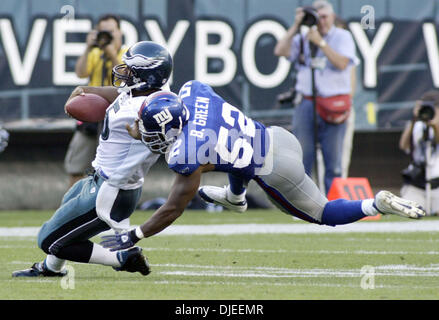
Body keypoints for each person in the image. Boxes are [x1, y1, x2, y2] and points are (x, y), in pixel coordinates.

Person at [99, 80, 425, 263]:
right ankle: (235, 197)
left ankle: (375, 204)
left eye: (149, 132)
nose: (144, 136)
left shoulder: (185, 155)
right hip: (277, 136)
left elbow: (173, 208)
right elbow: (215, 140)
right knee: (231, 158)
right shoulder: (193, 92)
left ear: (169, 132)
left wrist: (135, 234)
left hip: (276, 169)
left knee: (322, 213)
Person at [12, 41, 173, 277]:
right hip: (100, 181)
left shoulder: (150, 112)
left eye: (131, 69)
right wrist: (88, 90)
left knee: (49, 240)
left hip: (111, 191)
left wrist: (148, 135)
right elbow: (120, 94)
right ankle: (51, 268)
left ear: (147, 76)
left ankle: (121, 258)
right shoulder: (143, 92)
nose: (124, 72)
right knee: (68, 203)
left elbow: (167, 137)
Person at [274, 0, 359, 193]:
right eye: (316, 17)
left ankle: (334, 204)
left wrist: (320, 42)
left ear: (332, 17)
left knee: (334, 162)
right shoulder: (303, 37)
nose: (320, 22)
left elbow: (342, 63)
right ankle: (305, 204)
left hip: (333, 104)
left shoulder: (342, 36)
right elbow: (280, 51)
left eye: (324, 17)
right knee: (302, 158)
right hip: (306, 102)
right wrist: (296, 25)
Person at [64, 14, 127, 188]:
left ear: (119, 33)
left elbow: (123, 79)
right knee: (77, 167)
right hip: (90, 115)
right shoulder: (94, 53)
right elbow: (80, 72)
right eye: (102, 32)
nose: (106, 36)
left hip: (116, 116)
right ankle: (72, 208)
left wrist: (111, 53)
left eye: (110, 32)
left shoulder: (126, 54)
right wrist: (87, 48)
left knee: (112, 170)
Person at [399, 90, 439, 216]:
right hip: (416, 182)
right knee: (408, 212)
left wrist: (435, 126)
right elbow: (403, 145)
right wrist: (414, 119)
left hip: (436, 184)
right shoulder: (417, 125)